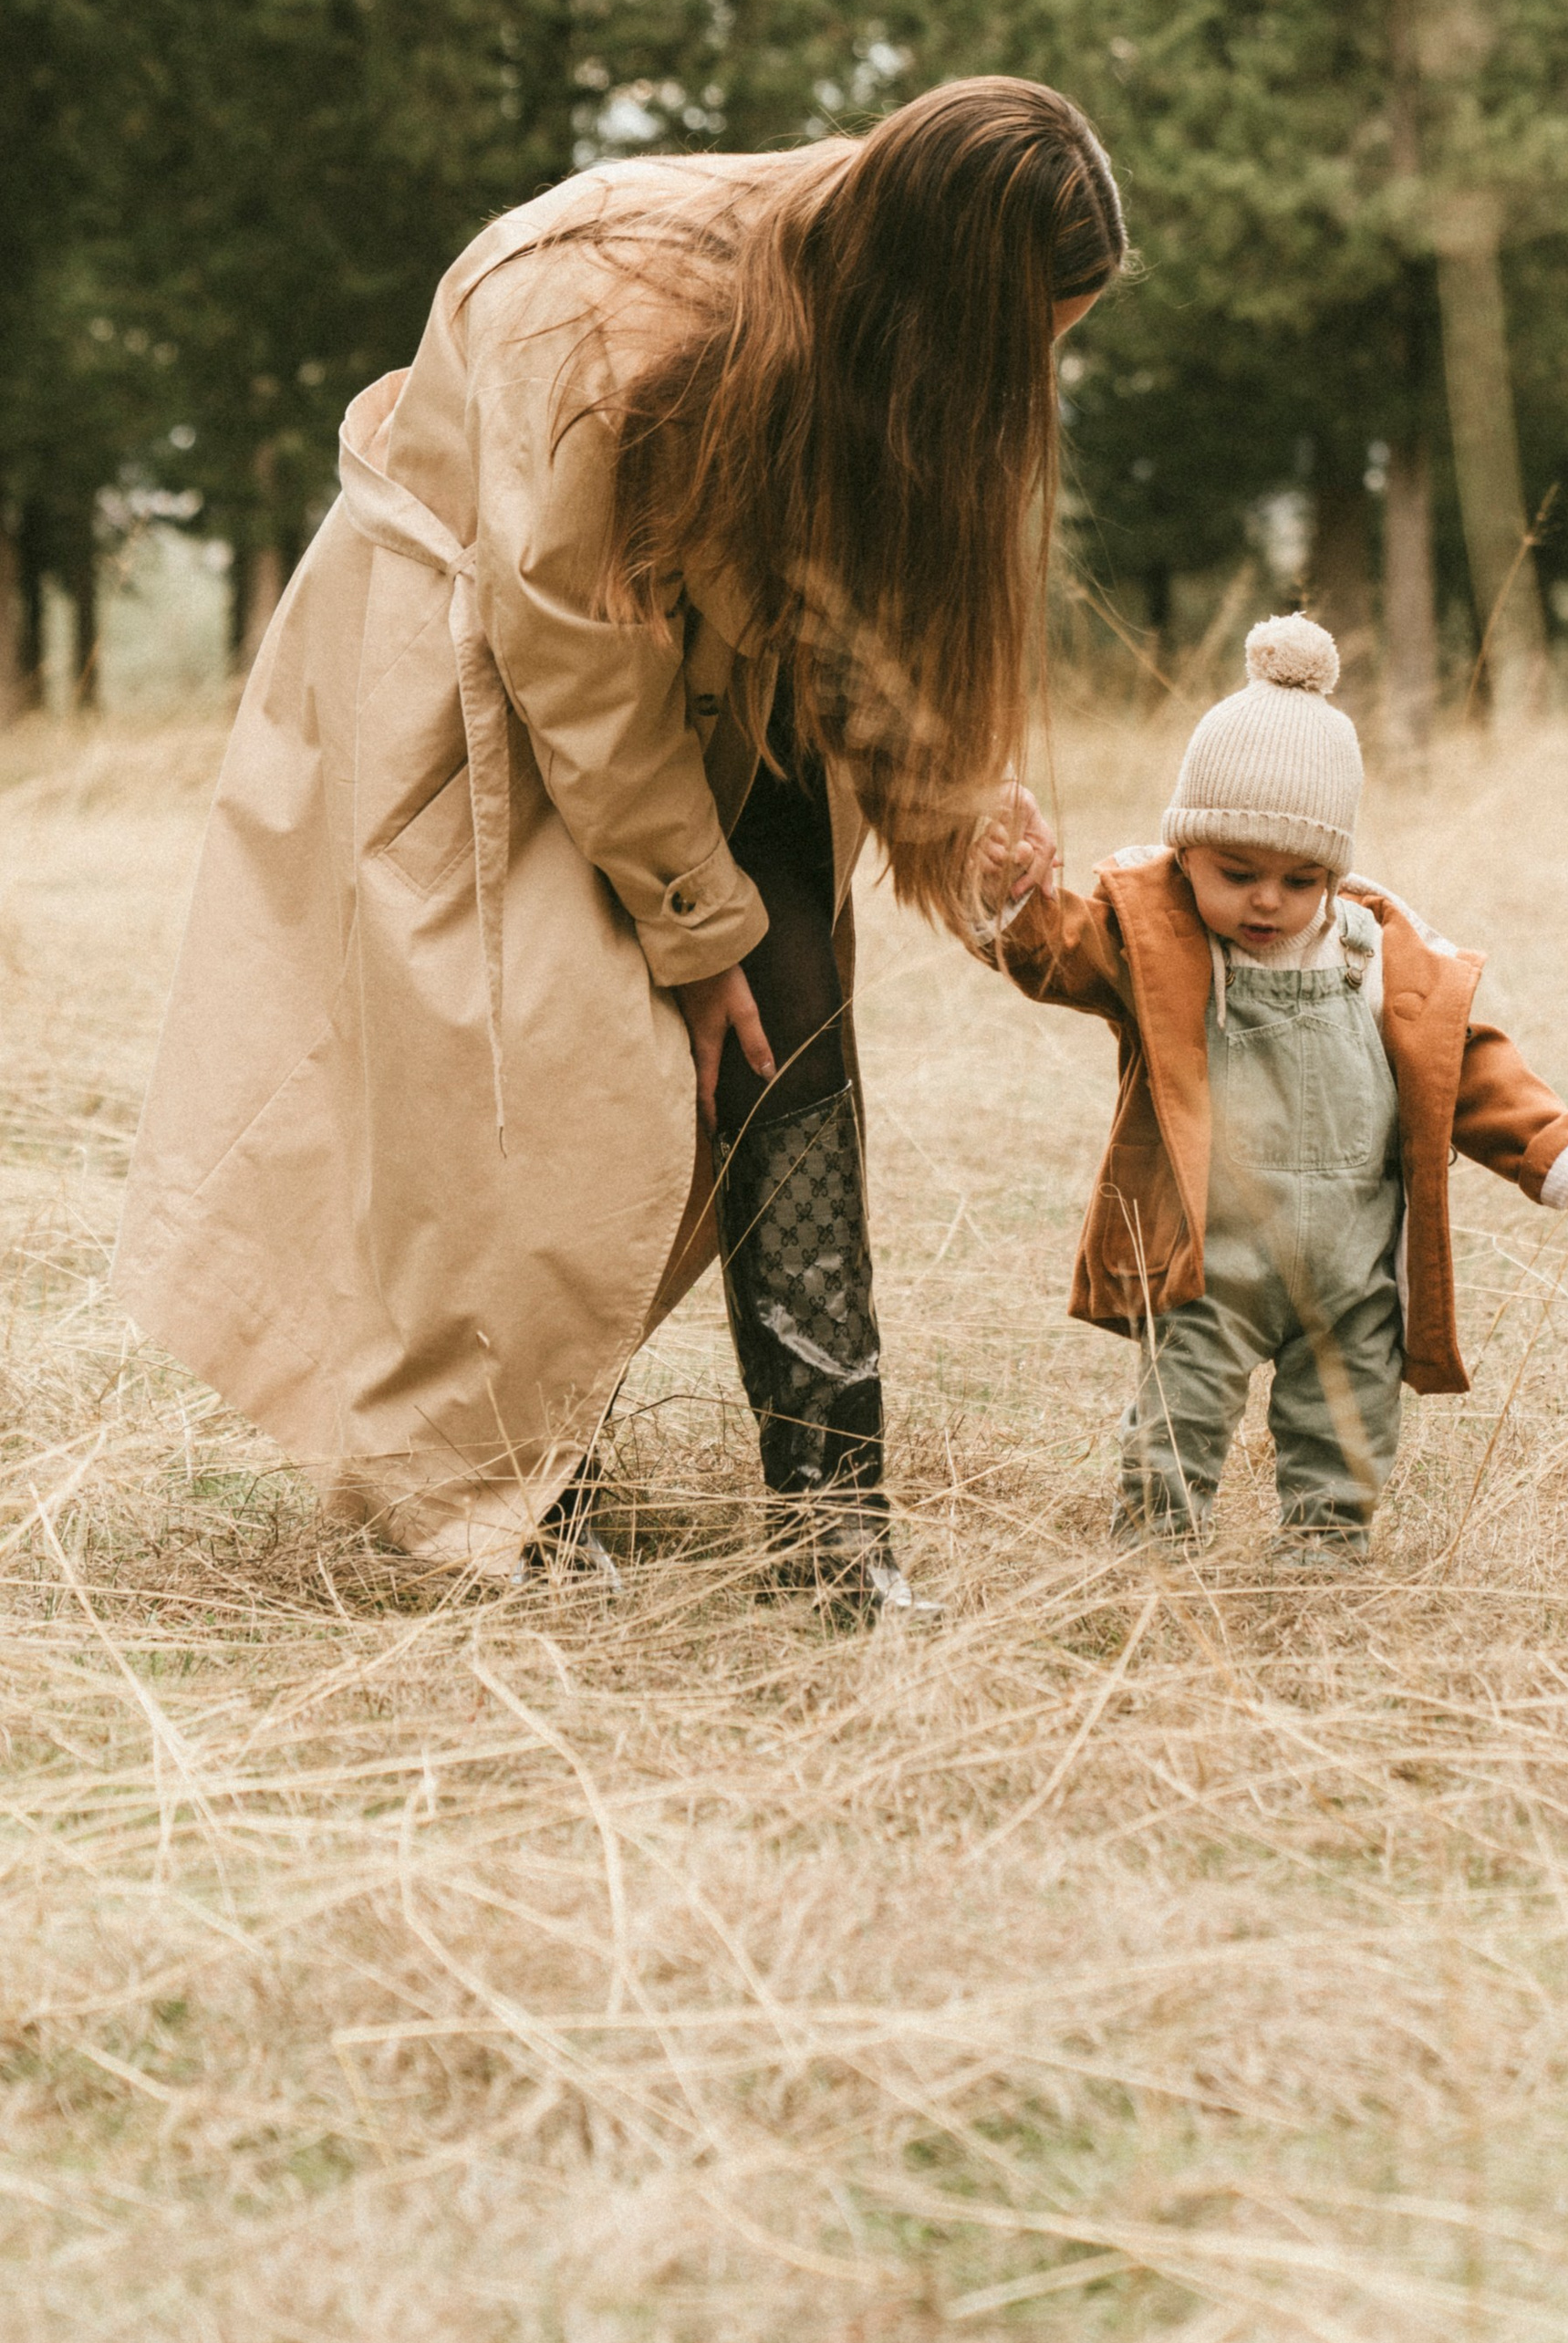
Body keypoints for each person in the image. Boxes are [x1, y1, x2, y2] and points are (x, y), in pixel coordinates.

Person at [114, 78, 1123, 1608]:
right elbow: (573, 652)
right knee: (545, 1081)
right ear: (943, 293)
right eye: (1023, 343)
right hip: (483, 678)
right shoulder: (599, 316)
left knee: (795, 1053)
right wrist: (693, 923)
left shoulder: (862, 311)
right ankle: (513, 1489)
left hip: (716, 681)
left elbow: (835, 590)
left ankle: (836, 1532)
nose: (1030, 382)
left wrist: (958, 799)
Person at [966, 616, 1568, 1560]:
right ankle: (1154, 1550)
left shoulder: (1379, 954)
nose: (1266, 900)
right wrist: (1014, 895)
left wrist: (1552, 1145)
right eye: (1237, 873)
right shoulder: (1152, 938)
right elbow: (1051, 956)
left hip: (1351, 1273)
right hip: (1208, 1268)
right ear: (1185, 849)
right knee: (1177, 1413)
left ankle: (1323, 1554)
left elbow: (1463, 1061)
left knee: (1347, 1426)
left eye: (1300, 878)